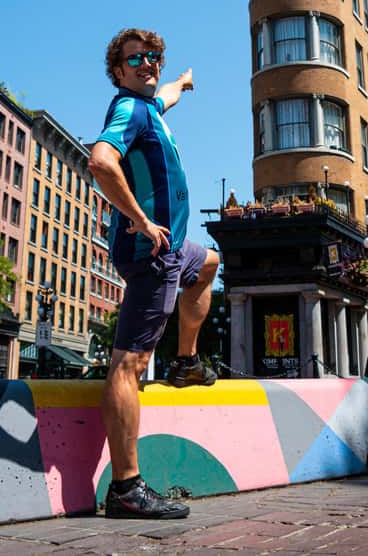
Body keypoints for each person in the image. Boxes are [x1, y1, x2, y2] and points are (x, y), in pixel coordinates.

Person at [88, 28, 219, 521]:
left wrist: (182, 84)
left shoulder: (151, 108)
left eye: (154, 57)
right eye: (135, 59)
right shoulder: (127, 110)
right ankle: (126, 487)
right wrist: (141, 220)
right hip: (152, 251)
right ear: (118, 71)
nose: (148, 64)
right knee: (129, 365)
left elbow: (162, 95)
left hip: (174, 249)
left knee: (208, 264)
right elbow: (101, 161)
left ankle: (185, 362)